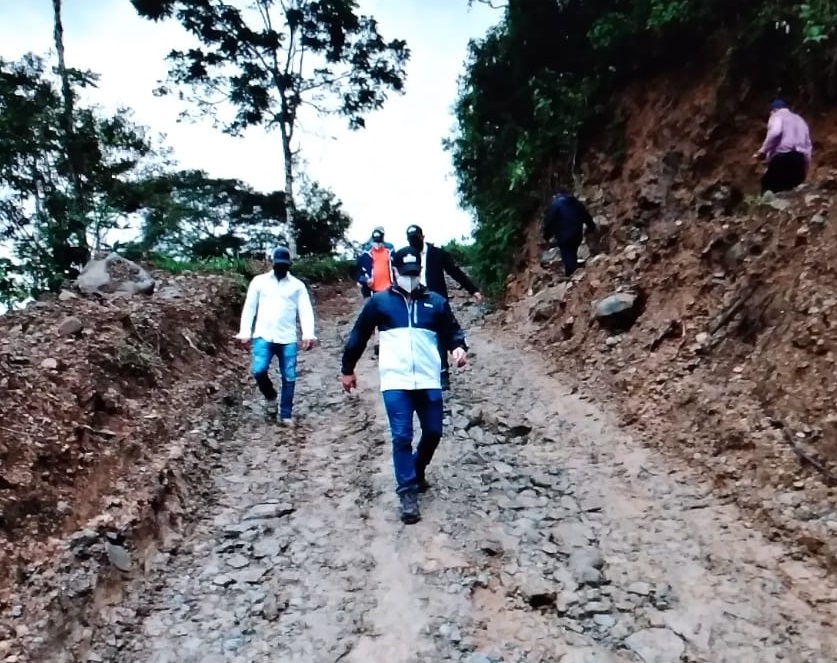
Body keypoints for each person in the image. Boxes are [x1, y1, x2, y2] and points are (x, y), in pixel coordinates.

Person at [340, 246, 469, 524]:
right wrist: (347, 369)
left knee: (433, 432)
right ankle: (407, 492)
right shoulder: (380, 303)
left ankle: (417, 470)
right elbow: (359, 336)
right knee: (401, 437)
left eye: (415, 273)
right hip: (395, 380)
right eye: (405, 273)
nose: (410, 278)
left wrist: (459, 348)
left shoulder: (435, 302)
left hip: (428, 378)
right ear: (395, 271)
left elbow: (452, 332)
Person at [237, 246, 317, 425]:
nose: (280, 268)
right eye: (278, 264)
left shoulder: (297, 286)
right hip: (263, 335)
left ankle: (286, 414)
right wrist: (245, 332)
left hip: (287, 337)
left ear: (289, 265)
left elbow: (305, 310)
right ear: (272, 263)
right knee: (258, 370)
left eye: (284, 265)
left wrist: (308, 334)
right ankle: (270, 396)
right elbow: (250, 307)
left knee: (289, 376)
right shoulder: (259, 282)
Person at [405, 225, 481, 390]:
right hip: (416, 302)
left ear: (423, 237)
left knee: (440, 335)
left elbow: (455, 272)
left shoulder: (437, 254)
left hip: (437, 302)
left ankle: (443, 372)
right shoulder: (408, 256)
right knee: (421, 336)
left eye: (416, 239)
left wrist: (472, 289)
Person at [754, 99, 813, 194]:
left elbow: (775, 132)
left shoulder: (777, 115)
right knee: (791, 190)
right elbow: (808, 145)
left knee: (768, 186)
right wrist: (806, 167)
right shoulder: (800, 120)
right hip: (799, 159)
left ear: (773, 110)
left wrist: (763, 151)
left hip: (783, 157)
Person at [542, 192, 598, 277]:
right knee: (572, 252)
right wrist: (591, 226)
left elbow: (550, 222)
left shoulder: (555, 205)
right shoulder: (575, 202)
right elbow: (585, 215)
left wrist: (547, 236)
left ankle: (572, 275)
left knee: (567, 253)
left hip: (564, 235)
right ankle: (574, 273)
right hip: (577, 233)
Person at [355, 227, 394, 300]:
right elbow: (357, 274)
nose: (377, 244)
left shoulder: (390, 252)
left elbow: (396, 268)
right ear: (372, 241)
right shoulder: (365, 255)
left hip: (389, 289)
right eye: (375, 242)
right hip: (372, 291)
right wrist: (366, 280)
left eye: (379, 242)